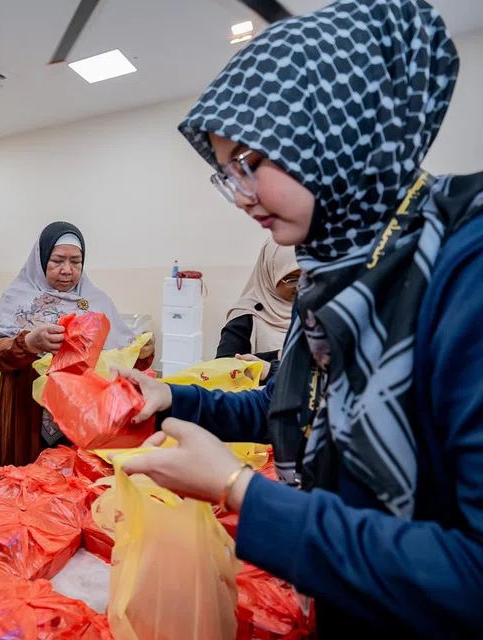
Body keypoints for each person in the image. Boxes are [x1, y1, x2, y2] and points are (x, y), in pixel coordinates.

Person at [114, 0, 483, 636]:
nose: (242, 197)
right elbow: (297, 410)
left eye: (252, 164)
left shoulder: (464, 267)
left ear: (339, 130)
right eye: (226, 175)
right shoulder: (334, 273)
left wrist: (240, 491)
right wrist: (171, 396)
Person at [0, 221, 155, 467]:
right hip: (29, 417)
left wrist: (143, 352)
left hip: (81, 419)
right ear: (42, 259)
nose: (67, 270)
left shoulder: (96, 300)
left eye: (76, 261)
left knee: (73, 486)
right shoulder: (18, 297)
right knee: (26, 487)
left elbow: (121, 355)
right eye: (57, 261)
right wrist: (29, 343)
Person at [216, 238, 299, 382]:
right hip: (261, 400)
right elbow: (223, 366)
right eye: (292, 279)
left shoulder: (315, 308)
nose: (301, 286)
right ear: (269, 272)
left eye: (309, 277)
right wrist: (276, 357)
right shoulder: (246, 316)